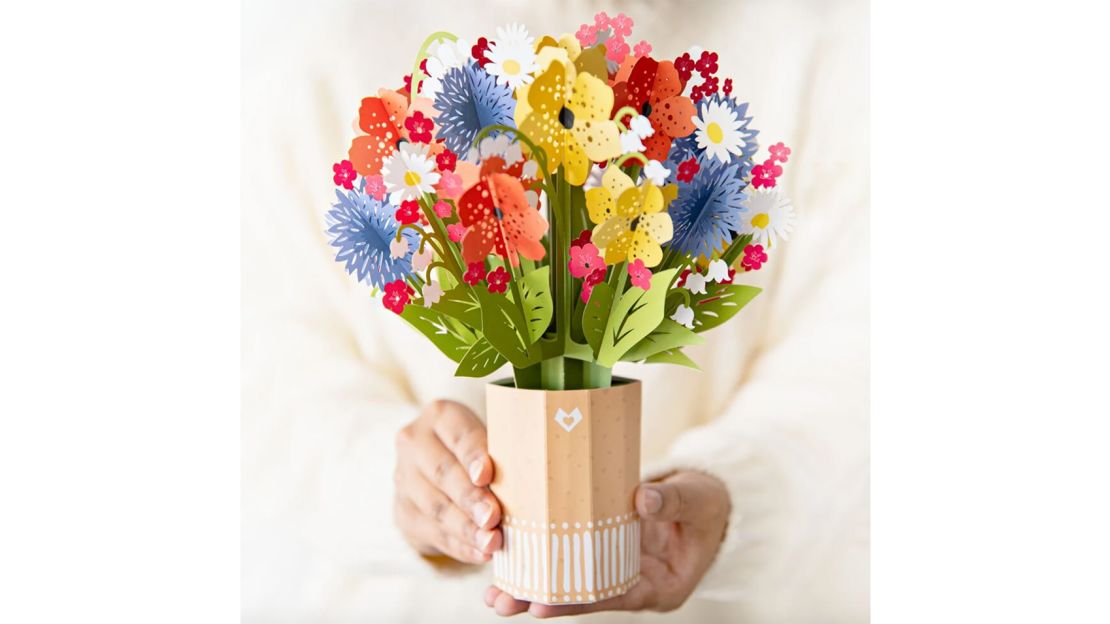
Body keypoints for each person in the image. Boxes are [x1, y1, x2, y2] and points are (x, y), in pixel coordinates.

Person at [243, 0, 868, 621]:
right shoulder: (331, 52)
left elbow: (857, 364)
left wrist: (733, 496)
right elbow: (266, 377)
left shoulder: (820, 49)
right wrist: (398, 485)